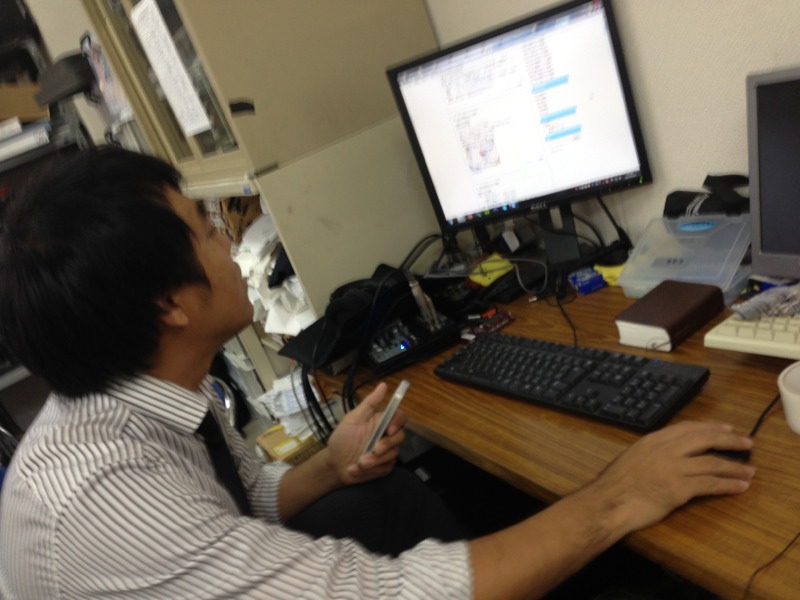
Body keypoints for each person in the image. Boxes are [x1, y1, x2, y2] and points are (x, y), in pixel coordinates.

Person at [0, 146, 755, 599]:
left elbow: (246, 499)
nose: (228, 245)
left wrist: (331, 466)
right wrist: (618, 497)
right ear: (169, 304)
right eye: (206, 232)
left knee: (383, 497)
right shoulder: (105, 495)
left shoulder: (152, 392)